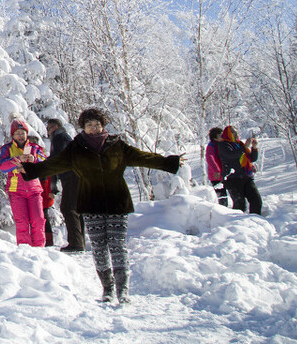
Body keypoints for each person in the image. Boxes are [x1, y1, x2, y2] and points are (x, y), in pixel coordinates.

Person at [20, 108, 184, 305]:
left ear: (103, 125)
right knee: (99, 247)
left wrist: (169, 162)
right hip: (91, 203)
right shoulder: (76, 148)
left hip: (117, 202)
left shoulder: (117, 145)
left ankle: (123, 290)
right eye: (89, 125)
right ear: (84, 128)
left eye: (97, 124)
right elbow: (55, 164)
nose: (94, 128)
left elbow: (142, 157)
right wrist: (31, 170)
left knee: (118, 246)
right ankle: (107, 289)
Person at [0, 119, 47, 246]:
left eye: (22, 133)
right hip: (16, 190)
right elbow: (2, 166)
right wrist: (16, 160)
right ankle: (25, 250)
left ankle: (39, 249)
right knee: (22, 222)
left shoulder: (34, 148)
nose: (20, 136)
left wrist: (34, 159)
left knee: (38, 220)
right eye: (17, 133)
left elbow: (45, 162)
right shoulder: (7, 149)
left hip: (34, 189)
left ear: (27, 134)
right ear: (13, 135)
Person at [46, 118, 85, 252]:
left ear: (55, 127)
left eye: (49, 128)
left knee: (68, 208)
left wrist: (47, 169)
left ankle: (76, 243)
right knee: (75, 208)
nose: (48, 131)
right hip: (75, 175)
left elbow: (58, 158)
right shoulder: (64, 137)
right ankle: (80, 241)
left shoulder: (59, 137)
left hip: (71, 176)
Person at [216, 126, 262, 215]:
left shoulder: (239, 144)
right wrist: (245, 147)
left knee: (256, 200)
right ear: (227, 134)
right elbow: (231, 155)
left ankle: (256, 221)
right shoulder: (223, 145)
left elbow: (251, 158)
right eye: (233, 132)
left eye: (236, 132)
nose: (236, 134)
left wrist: (254, 147)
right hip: (232, 179)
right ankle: (237, 224)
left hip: (246, 177)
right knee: (240, 205)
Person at [205, 127, 229, 207]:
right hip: (216, 176)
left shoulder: (222, 144)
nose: (223, 137)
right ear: (215, 137)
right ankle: (222, 212)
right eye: (220, 135)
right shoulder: (211, 146)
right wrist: (216, 170)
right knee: (222, 197)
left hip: (223, 174)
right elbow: (210, 158)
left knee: (226, 194)